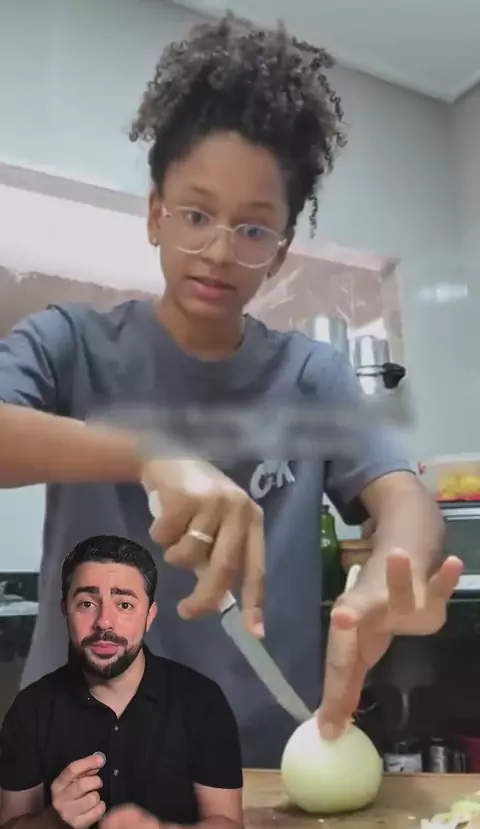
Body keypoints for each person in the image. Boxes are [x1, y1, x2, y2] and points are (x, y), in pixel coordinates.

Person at [0, 13, 461, 767]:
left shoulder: (311, 378)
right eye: (195, 215)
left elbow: (404, 500)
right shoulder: (69, 344)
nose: (218, 251)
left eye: (252, 230)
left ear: (279, 253)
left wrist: (391, 577)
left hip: (260, 770)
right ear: (156, 214)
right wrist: (145, 454)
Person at [0, 535, 244, 829]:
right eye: (86, 603)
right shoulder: (30, 710)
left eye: (125, 604)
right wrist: (54, 826)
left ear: (149, 616)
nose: (104, 622)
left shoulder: (202, 702)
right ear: (64, 610)